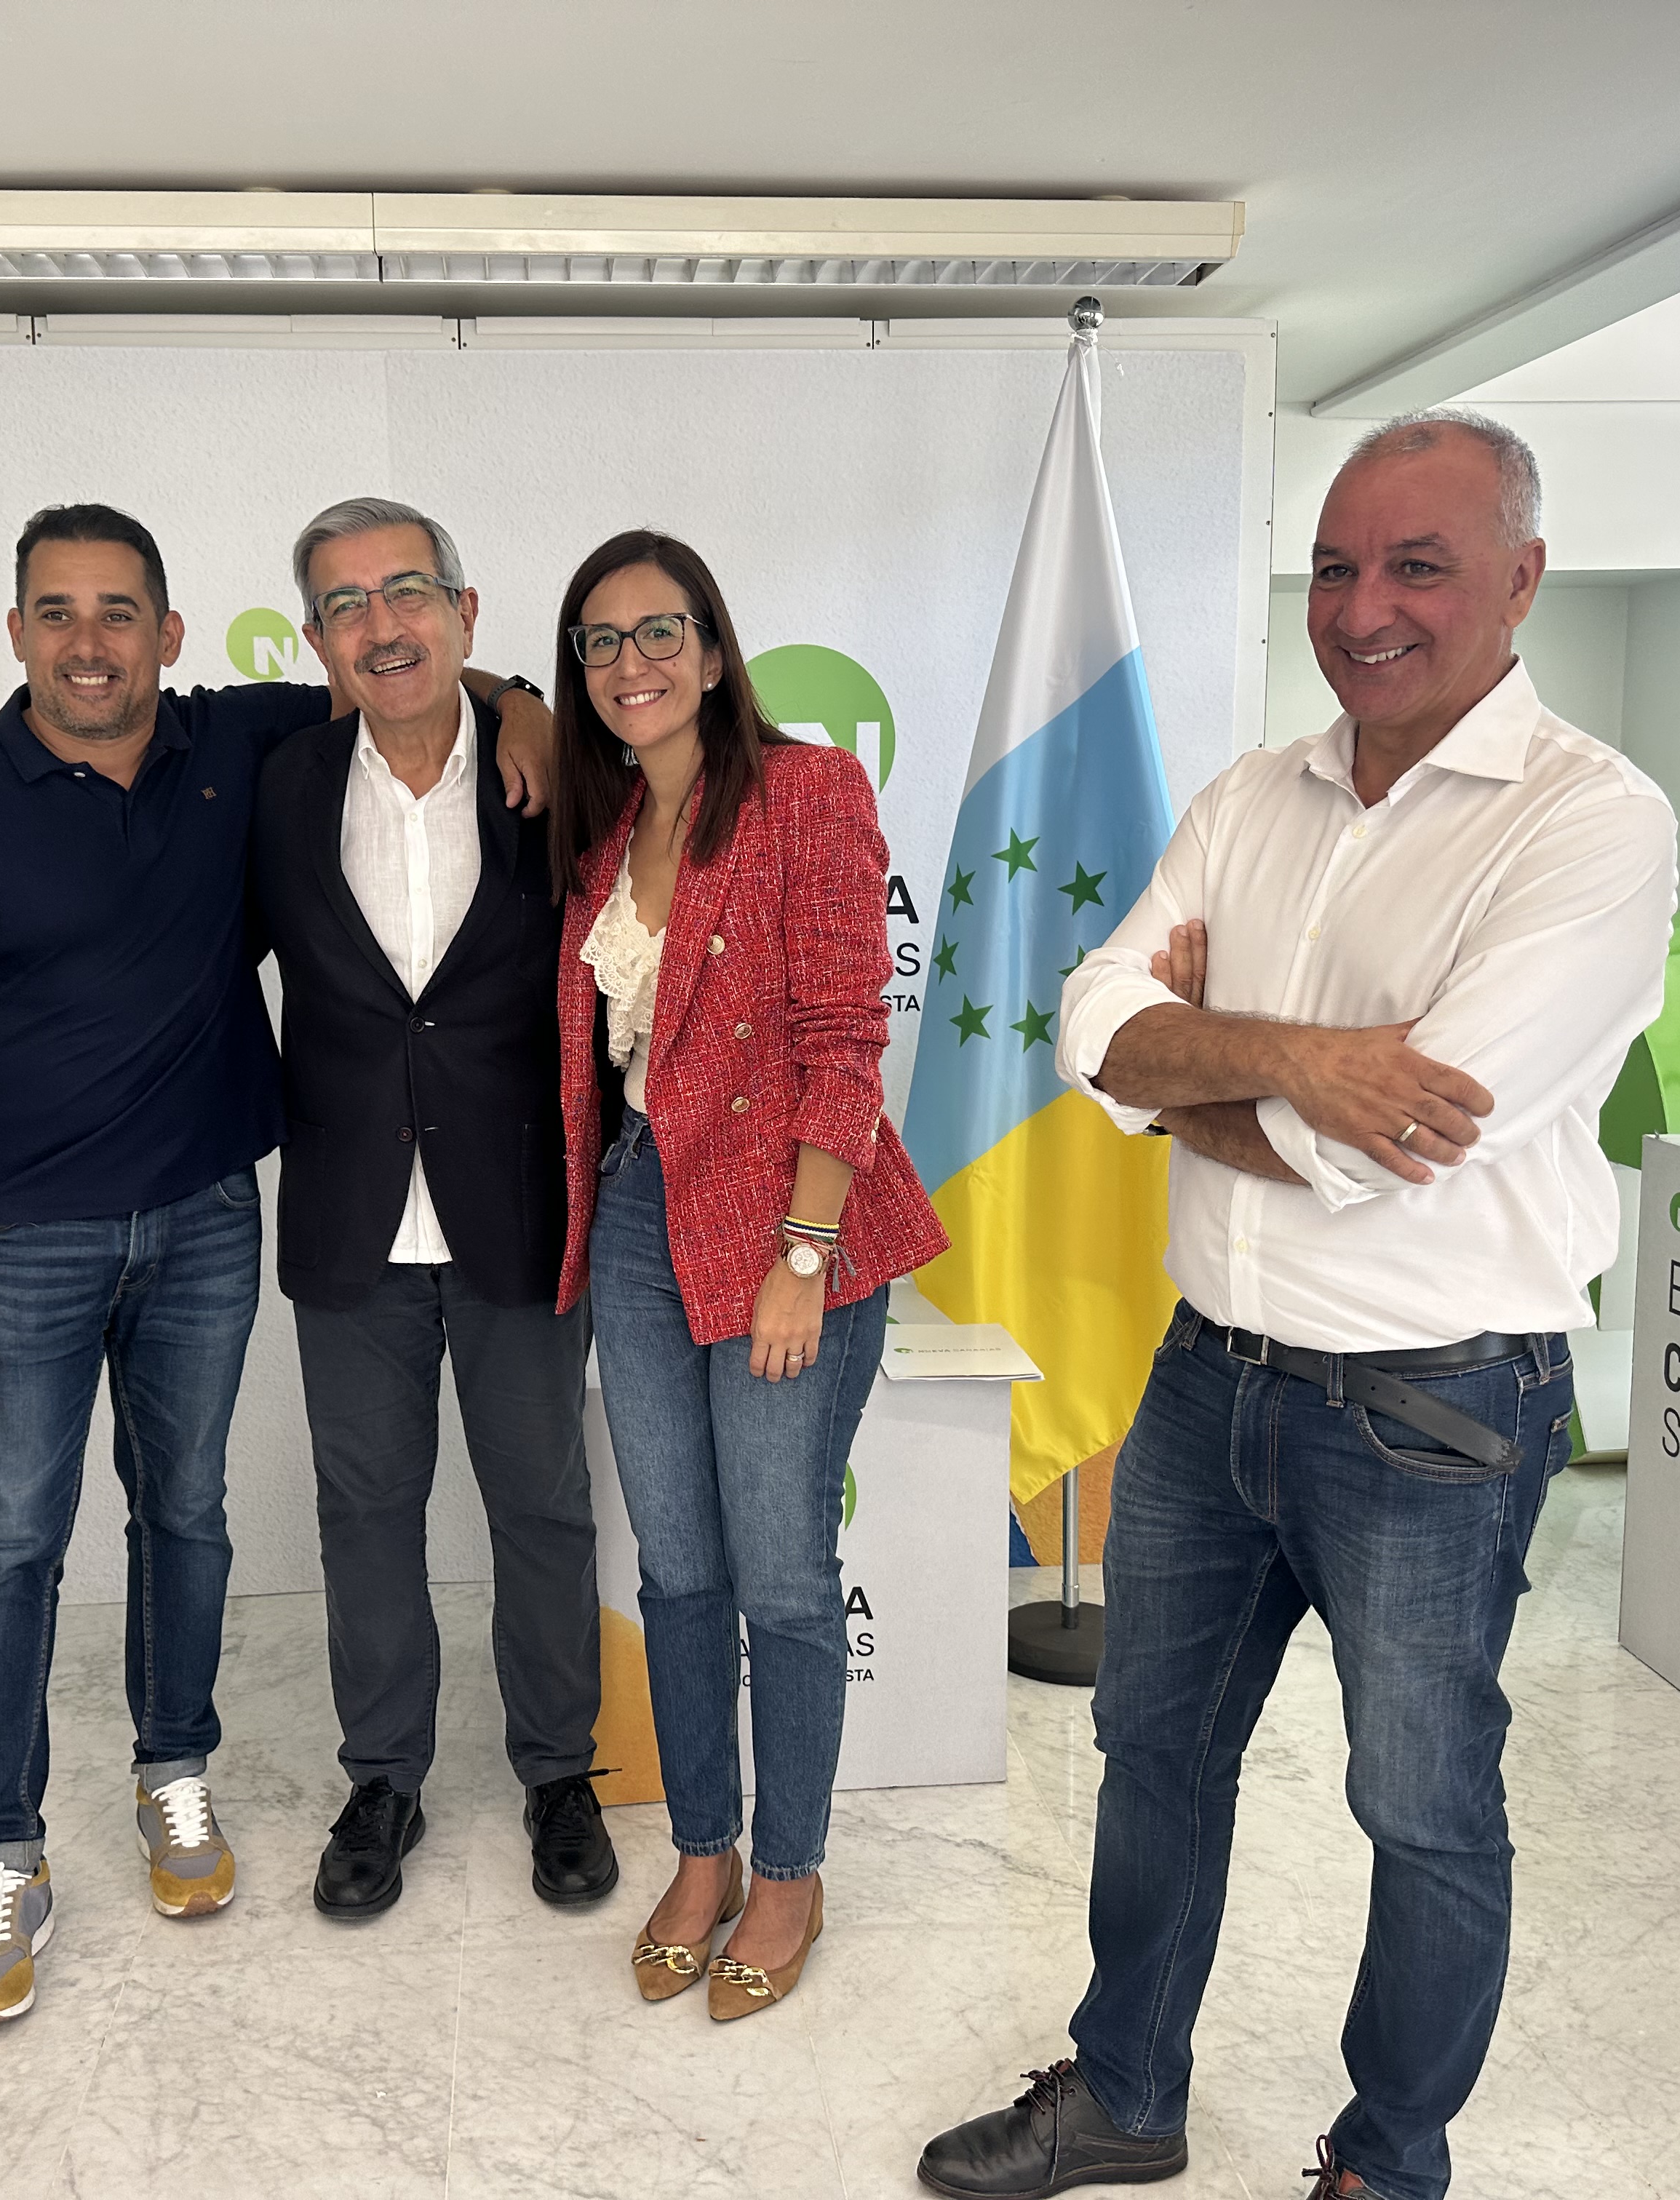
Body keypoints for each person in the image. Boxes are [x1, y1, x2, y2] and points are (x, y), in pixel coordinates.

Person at [917, 412, 1675, 2196]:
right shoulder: (1252, 796)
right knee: (1150, 1752)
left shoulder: (1592, 823)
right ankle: (1126, 2095)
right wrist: (1308, 1059)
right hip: (1208, 1381)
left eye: (1419, 565)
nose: (1364, 606)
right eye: (1336, 566)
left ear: (1521, 579)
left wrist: (1200, 1072)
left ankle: (1386, 2160)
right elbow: (1092, 1024)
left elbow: (1404, 1137)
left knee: (1420, 1805)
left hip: (1434, 1406)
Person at [0, 501, 552, 2028]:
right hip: (13, 1246)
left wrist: (533, 709)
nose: (88, 643)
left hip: (203, 1219)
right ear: (16, 632)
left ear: (170, 636)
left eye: (120, 613)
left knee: (185, 1515)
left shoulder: (239, 743)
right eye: (56, 612)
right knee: (9, 1550)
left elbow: (412, 668)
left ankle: (174, 1770)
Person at [550, 529, 947, 2021]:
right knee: (677, 1568)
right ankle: (703, 1852)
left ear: (715, 652)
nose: (632, 663)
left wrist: (805, 1252)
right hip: (641, 1213)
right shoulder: (603, 830)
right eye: (601, 641)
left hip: (790, 1217)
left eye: (662, 632)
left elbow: (847, 1036)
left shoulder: (808, 792)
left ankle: (790, 1875)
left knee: (780, 1572)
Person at [250, 496, 614, 1918]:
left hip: (519, 1208)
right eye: (345, 604)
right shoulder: (277, 784)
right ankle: (384, 1778)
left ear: (466, 610)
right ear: (315, 641)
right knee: (364, 1514)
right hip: (351, 1220)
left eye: (407, 591)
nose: (380, 625)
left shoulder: (559, 773)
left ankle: (559, 1771)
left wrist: (526, 702)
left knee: (543, 1507)